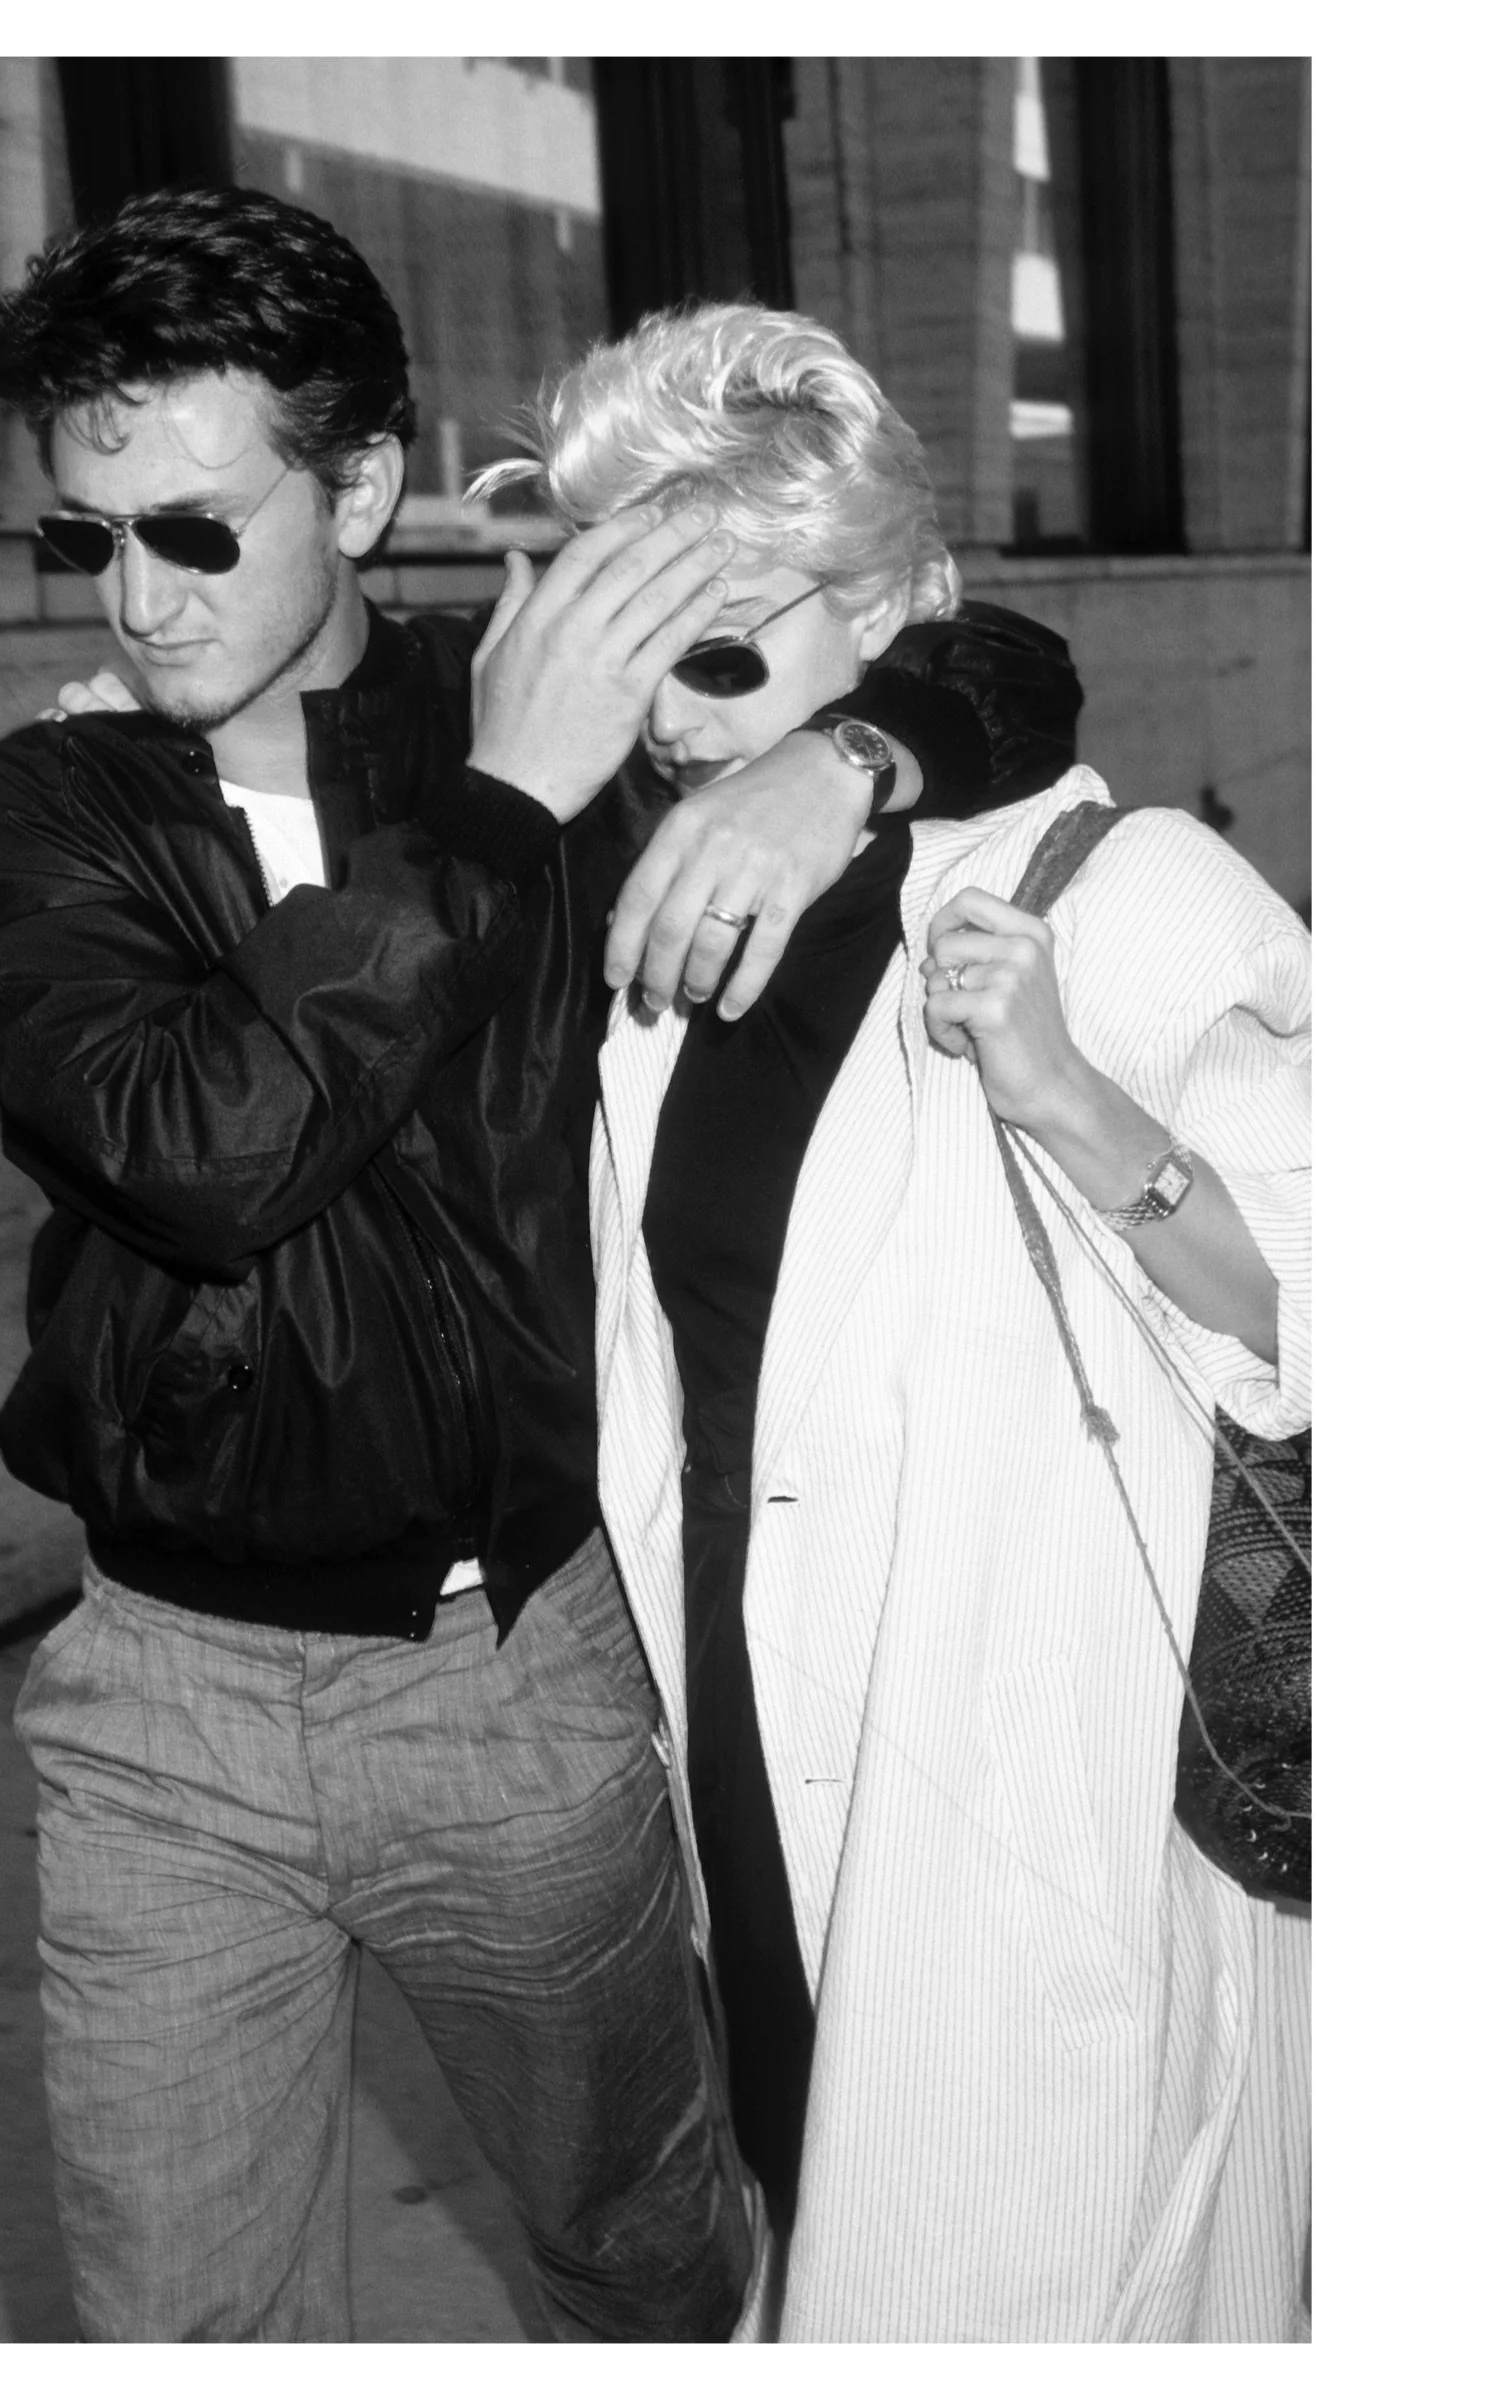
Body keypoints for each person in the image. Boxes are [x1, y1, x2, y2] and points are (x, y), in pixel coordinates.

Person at [0, 186, 1084, 2343]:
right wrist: (493, 809)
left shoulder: (575, 731)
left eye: (194, 526)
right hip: (160, 1703)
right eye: (84, 540)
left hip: (518, 1681)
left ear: (360, 486)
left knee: (638, 2256)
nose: (140, 600)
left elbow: (999, 657)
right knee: (185, 2326)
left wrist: (842, 761)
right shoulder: (48, 814)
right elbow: (205, 1156)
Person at [519, 304, 1313, 2340]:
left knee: (1036, 2240)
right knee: (818, 2172)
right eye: (643, 661)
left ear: (906, 609)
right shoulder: (656, 913)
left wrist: (1072, 1099)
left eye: (733, 656)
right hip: (739, 1703)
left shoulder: (1121, 895)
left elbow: (1330, 1306)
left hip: (1027, 1728)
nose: (684, 730)